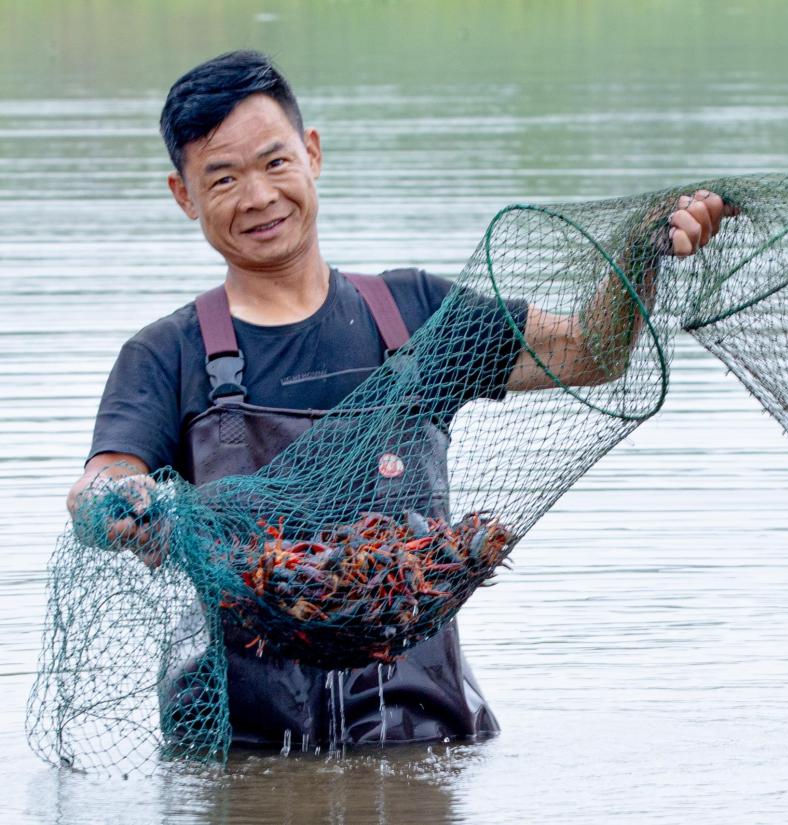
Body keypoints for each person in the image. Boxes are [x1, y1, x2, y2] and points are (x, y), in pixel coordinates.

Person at [66, 50, 734, 748]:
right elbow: (102, 480)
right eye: (224, 178)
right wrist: (119, 504)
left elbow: (591, 352)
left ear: (312, 153)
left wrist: (641, 253)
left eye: (275, 162)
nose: (259, 196)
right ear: (184, 195)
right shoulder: (165, 354)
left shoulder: (417, 315)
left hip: (422, 739)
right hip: (247, 750)